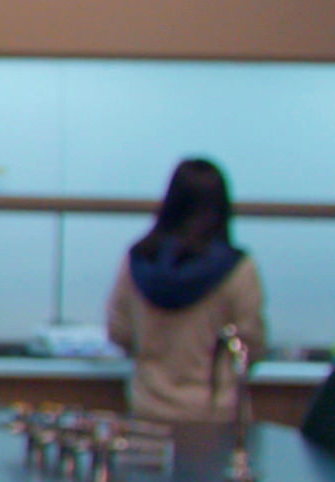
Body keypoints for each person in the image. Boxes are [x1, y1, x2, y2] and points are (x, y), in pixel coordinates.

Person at [106, 158, 266, 422]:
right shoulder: (237, 269)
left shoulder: (138, 259)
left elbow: (119, 331)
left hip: (148, 407)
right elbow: (251, 345)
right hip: (215, 415)